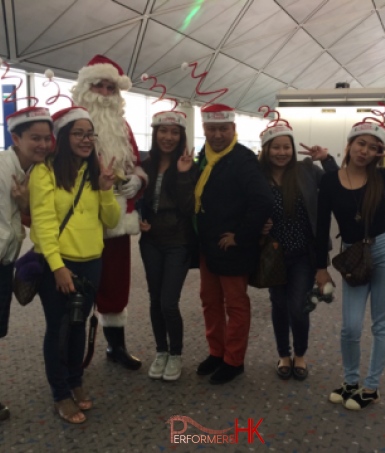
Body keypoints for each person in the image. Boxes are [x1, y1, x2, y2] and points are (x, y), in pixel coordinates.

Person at [315, 109, 385, 410]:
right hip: (353, 255)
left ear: (378, 151)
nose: (364, 151)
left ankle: (371, 387)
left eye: (372, 146)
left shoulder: (384, 176)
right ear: (350, 144)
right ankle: (350, 381)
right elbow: (319, 227)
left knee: (381, 324)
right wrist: (321, 269)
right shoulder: (328, 181)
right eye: (360, 143)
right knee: (350, 327)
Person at [29, 106, 120, 423]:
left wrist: (107, 192)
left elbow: (110, 220)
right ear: (64, 136)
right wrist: (57, 266)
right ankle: (60, 393)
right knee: (58, 329)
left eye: (90, 133)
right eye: (78, 133)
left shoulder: (95, 171)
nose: (85, 139)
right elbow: (42, 224)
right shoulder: (44, 172)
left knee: (79, 325)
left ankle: (75, 381)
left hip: (91, 262)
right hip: (59, 263)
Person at [71, 55, 147, 370]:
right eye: (98, 86)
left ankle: (116, 348)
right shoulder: (68, 124)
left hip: (116, 220)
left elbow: (136, 165)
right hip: (79, 223)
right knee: (76, 289)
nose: (104, 93)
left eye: (110, 87)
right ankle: (71, 357)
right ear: (85, 88)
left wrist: (137, 179)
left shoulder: (123, 126)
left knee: (115, 283)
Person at [195, 103, 274, 385]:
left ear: (233, 129)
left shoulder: (243, 159)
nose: (217, 135)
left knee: (235, 305)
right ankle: (216, 352)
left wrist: (240, 236)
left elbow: (262, 200)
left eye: (223, 129)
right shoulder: (203, 156)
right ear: (204, 129)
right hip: (207, 244)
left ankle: (234, 360)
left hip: (231, 247)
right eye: (212, 129)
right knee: (210, 301)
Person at [258, 113, 338, 381]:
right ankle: (284, 354)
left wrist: (326, 159)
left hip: (304, 254)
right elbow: (244, 206)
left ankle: (300, 354)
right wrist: (259, 226)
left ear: (293, 149)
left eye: (286, 147)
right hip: (273, 254)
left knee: (298, 307)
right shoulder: (259, 175)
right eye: (276, 147)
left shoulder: (306, 170)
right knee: (278, 305)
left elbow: (337, 182)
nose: (281, 152)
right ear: (266, 149)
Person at [0, 106, 53, 421]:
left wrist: (23, 205)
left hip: (5, 260)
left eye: (47, 138)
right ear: (16, 138)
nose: (44, 145)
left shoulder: (33, 171)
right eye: (35, 138)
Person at [139, 109, 197, 381]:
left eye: (174, 132)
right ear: (155, 133)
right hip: (150, 241)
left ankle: (175, 353)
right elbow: (137, 199)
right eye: (163, 131)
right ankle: (161, 351)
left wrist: (184, 175)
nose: (169, 137)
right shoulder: (145, 164)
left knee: (168, 302)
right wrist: (139, 219)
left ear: (181, 135)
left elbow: (190, 208)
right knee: (153, 299)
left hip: (178, 241)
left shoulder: (188, 164)